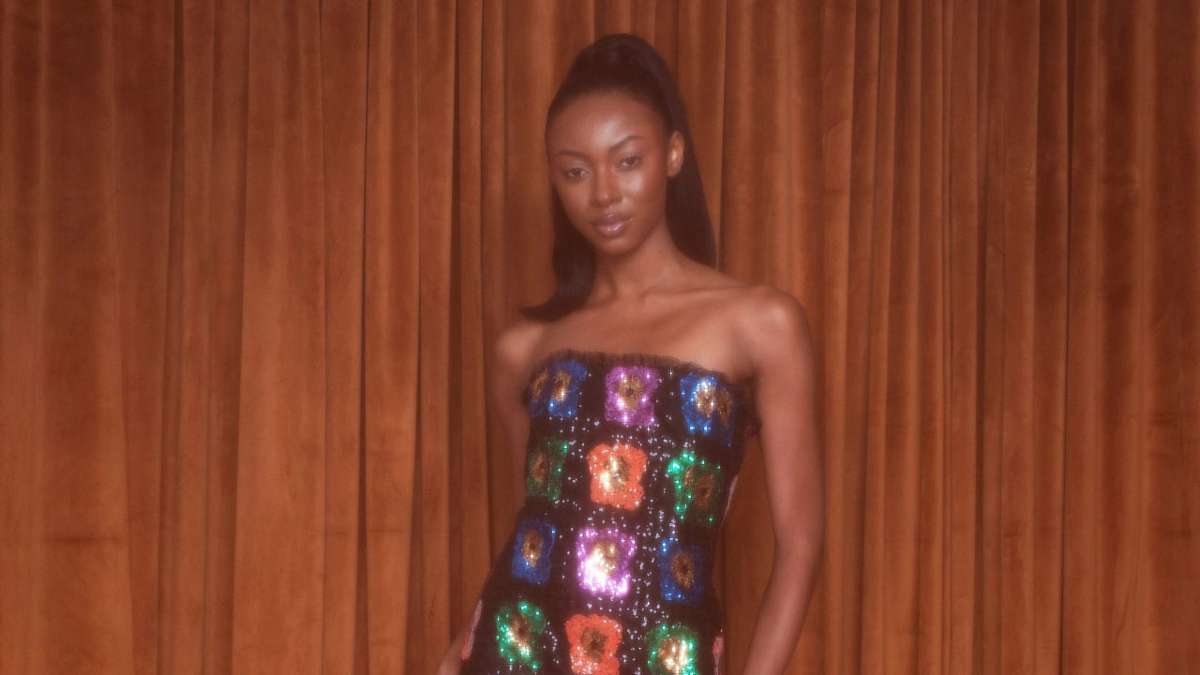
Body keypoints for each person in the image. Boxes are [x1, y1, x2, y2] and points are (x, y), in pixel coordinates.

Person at [439, 32, 823, 675]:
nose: (603, 194)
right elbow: (538, 524)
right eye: (575, 171)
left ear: (672, 154)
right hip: (510, 655)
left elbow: (801, 545)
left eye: (627, 161)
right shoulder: (525, 349)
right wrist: (457, 653)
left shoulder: (760, 323)